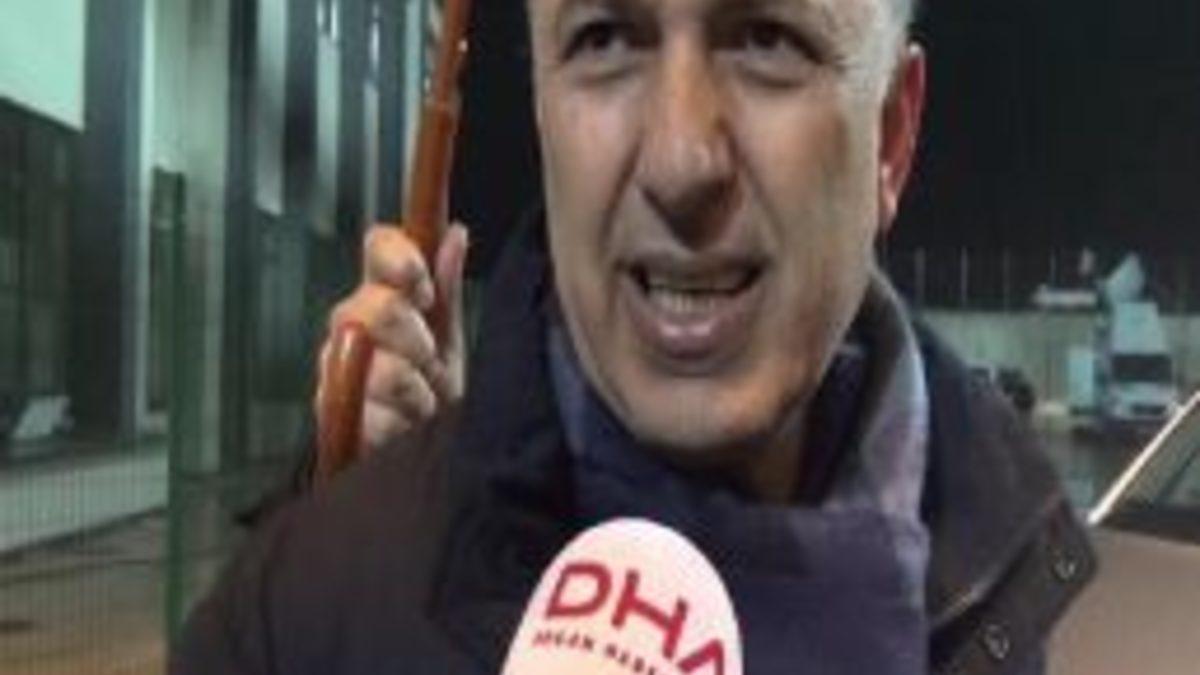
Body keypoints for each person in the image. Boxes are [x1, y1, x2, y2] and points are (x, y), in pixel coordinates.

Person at [172, 0, 1095, 673]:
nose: (681, 160)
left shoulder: (992, 580)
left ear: (891, 135)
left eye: (767, 39)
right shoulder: (291, 621)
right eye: (606, 38)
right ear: (542, 110)